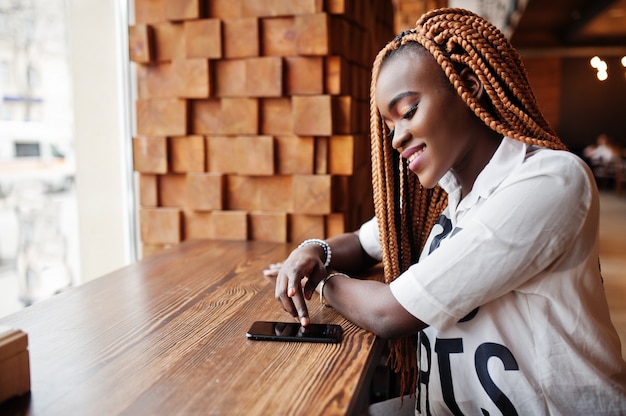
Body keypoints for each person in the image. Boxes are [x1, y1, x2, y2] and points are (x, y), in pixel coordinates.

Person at [265, 7, 626, 415]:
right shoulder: (443, 190)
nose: (397, 139)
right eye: (389, 126)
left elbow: (390, 313)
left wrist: (324, 280)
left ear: (469, 87)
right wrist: (310, 251)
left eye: (408, 112)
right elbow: (364, 243)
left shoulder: (550, 180)